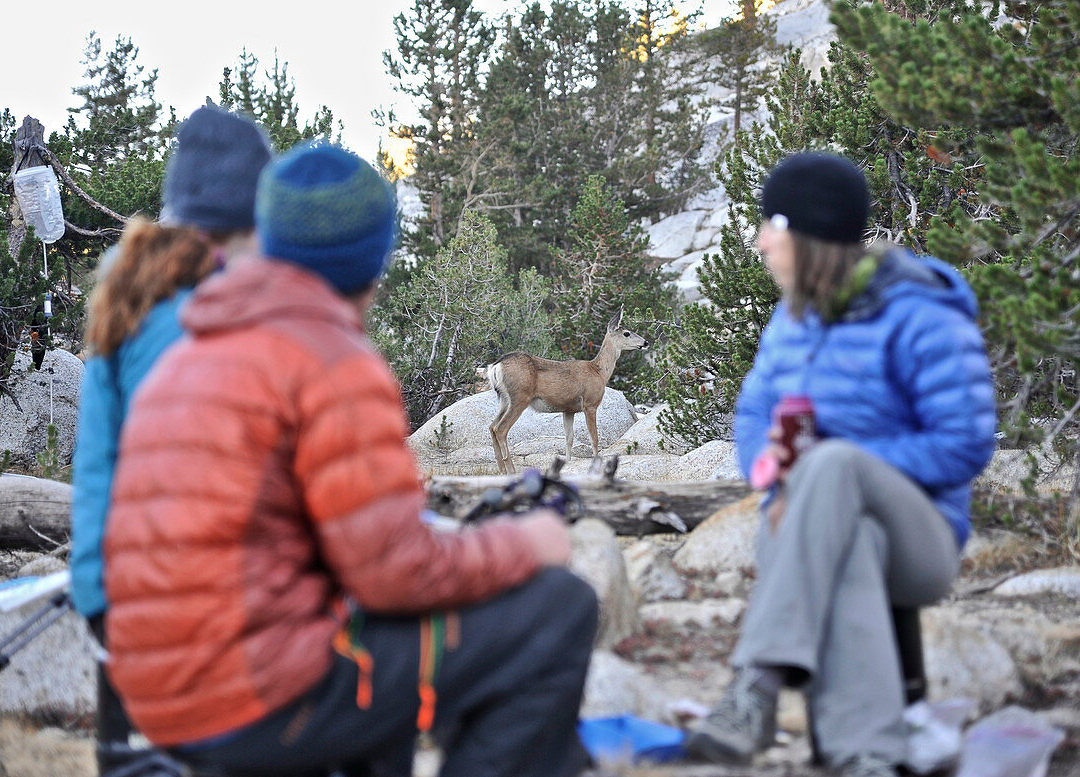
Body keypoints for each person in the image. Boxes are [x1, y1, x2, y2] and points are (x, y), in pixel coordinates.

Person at [101, 141, 598, 777]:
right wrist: (526, 544)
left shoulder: (186, 356)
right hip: (254, 695)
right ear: (372, 261)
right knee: (557, 607)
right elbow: (395, 576)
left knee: (377, 647)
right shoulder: (330, 361)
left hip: (153, 689)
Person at [683, 152, 996, 777]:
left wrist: (839, 465)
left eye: (771, 223)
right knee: (850, 539)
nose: (760, 240)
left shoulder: (920, 314)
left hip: (922, 539)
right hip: (810, 534)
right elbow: (751, 416)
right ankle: (868, 756)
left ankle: (758, 685)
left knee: (833, 469)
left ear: (810, 235)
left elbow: (965, 442)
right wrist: (766, 466)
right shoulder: (790, 320)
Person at [70, 104, 272, 773]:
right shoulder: (226, 314)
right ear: (249, 217)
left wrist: (97, 594)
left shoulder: (124, 291)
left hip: (118, 604)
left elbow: (95, 460)